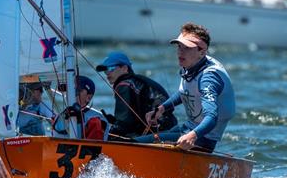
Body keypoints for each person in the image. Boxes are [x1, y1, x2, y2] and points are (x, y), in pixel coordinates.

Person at [138, 22, 235, 153]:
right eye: (179, 46)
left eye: (187, 48)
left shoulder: (209, 78)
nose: (180, 52)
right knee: (142, 138)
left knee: (137, 144)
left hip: (202, 138)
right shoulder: (193, 64)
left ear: (202, 52)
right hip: (188, 128)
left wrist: (192, 136)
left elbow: (212, 117)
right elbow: (185, 92)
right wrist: (162, 109)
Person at [95, 51, 176, 139]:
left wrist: (107, 135)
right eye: (105, 71)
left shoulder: (124, 85)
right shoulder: (137, 81)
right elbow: (131, 119)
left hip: (157, 133)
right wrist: (113, 121)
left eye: (111, 68)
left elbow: (124, 123)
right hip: (169, 128)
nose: (107, 73)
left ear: (125, 68)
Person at [53, 76, 109, 140]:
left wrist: (79, 121)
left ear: (88, 98)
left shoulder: (95, 120)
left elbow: (94, 148)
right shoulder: (60, 115)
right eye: (68, 89)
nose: (70, 93)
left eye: (77, 90)